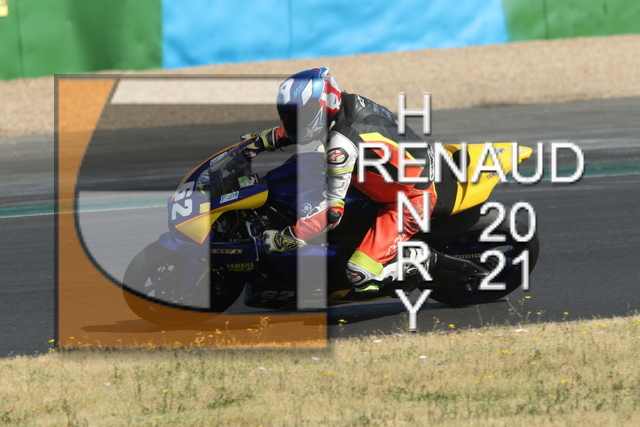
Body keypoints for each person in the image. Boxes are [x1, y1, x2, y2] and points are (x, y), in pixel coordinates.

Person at [242, 67, 437, 294]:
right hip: (398, 169)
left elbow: (331, 214)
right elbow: (306, 127)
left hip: (411, 197)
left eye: (299, 115)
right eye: (288, 115)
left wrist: (287, 238)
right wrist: (263, 140)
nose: (293, 122)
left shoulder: (341, 147)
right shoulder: (344, 104)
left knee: (360, 274)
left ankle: (417, 259)